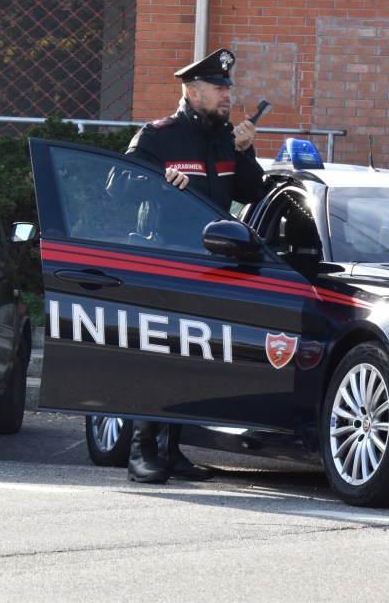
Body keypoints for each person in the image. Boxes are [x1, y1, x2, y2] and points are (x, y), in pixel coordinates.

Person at [124, 47, 266, 484]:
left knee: (192, 361)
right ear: (192, 91)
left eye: (229, 87)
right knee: (159, 357)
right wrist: (160, 186)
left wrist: (245, 151)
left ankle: (171, 451)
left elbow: (252, 192)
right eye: (219, 88)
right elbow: (119, 189)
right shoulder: (158, 136)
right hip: (166, 264)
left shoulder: (226, 139)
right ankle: (141, 450)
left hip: (212, 267)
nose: (228, 95)